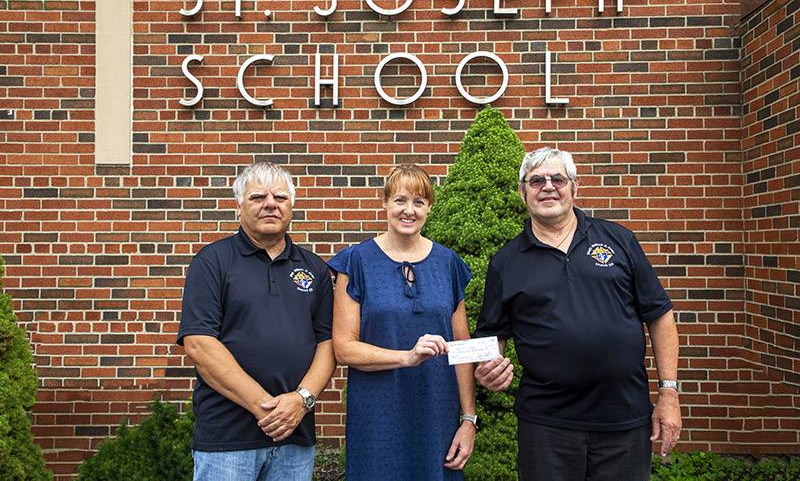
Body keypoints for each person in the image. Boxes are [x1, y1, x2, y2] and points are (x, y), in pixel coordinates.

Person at [474, 147, 681, 481]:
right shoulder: (506, 261)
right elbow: (492, 334)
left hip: (623, 418)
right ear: (522, 191)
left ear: (574, 187)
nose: (548, 186)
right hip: (547, 424)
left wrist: (668, 392)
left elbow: (659, 315)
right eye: (536, 180)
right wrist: (487, 368)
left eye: (558, 178)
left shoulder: (618, 240)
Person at [177, 162, 336, 481]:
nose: (270, 203)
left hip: (295, 437)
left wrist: (301, 401)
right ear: (239, 207)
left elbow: (328, 343)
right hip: (228, 440)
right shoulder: (212, 263)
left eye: (280, 196)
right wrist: (266, 407)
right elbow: (199, 344)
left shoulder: (315, 269)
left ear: (291, 206)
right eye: (257, 197)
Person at [328, 164, 477, 481]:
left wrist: (468, 419)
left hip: (437, 412)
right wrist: (406, 357)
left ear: (429, 208)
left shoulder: (449, 264)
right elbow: (344, 348)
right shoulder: (356, 262)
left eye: (419, 202)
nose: (409, 210)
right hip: (377, 415)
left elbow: (462, 350)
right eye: (400, 200)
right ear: (384, 203)